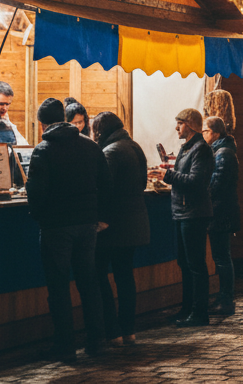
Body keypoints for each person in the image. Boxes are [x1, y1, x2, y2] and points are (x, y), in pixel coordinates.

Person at [26, 97, 110, 360]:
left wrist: (39, 217)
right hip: (87, 226)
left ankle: (65, 346)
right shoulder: (90, 146)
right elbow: (106, 183)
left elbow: (36, 192)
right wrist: (98, 216)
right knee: (89, 283)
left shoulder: (43, 150)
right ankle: (97, 341)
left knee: (59, 287)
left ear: (42, 124)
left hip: (56, 227)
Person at [148, 108, 215, 326]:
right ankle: (187, 309)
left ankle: (199, 312)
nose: (176, 127)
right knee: (185, 263)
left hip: (194, 213)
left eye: (179, 123)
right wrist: (167, 174)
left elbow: (195, 180)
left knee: (195, 264)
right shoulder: (187, 149)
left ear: (191, 125)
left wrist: (167, 175)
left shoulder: (200, 150)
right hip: (182, 211)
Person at [91, 111, 150, 346]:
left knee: (99, 275)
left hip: (112, 226)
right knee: (125, 277)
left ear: (100, 131)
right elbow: (143, 183)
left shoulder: (111, 151)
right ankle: (128, 330)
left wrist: (101, 218)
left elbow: (104, 189)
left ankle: (111, 330)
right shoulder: (133, 146)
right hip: (134, 223)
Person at [205, 115, 239, 315]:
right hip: (222, 210)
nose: (203, 134)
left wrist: (202, 192)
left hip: (221, 211)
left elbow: (216, 183)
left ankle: (226, 299)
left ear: (215, 132)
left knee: (222, 257)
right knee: (222, 256)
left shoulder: (223, 153)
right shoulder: (221, 151)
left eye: (205, 131)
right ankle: (225, 297)